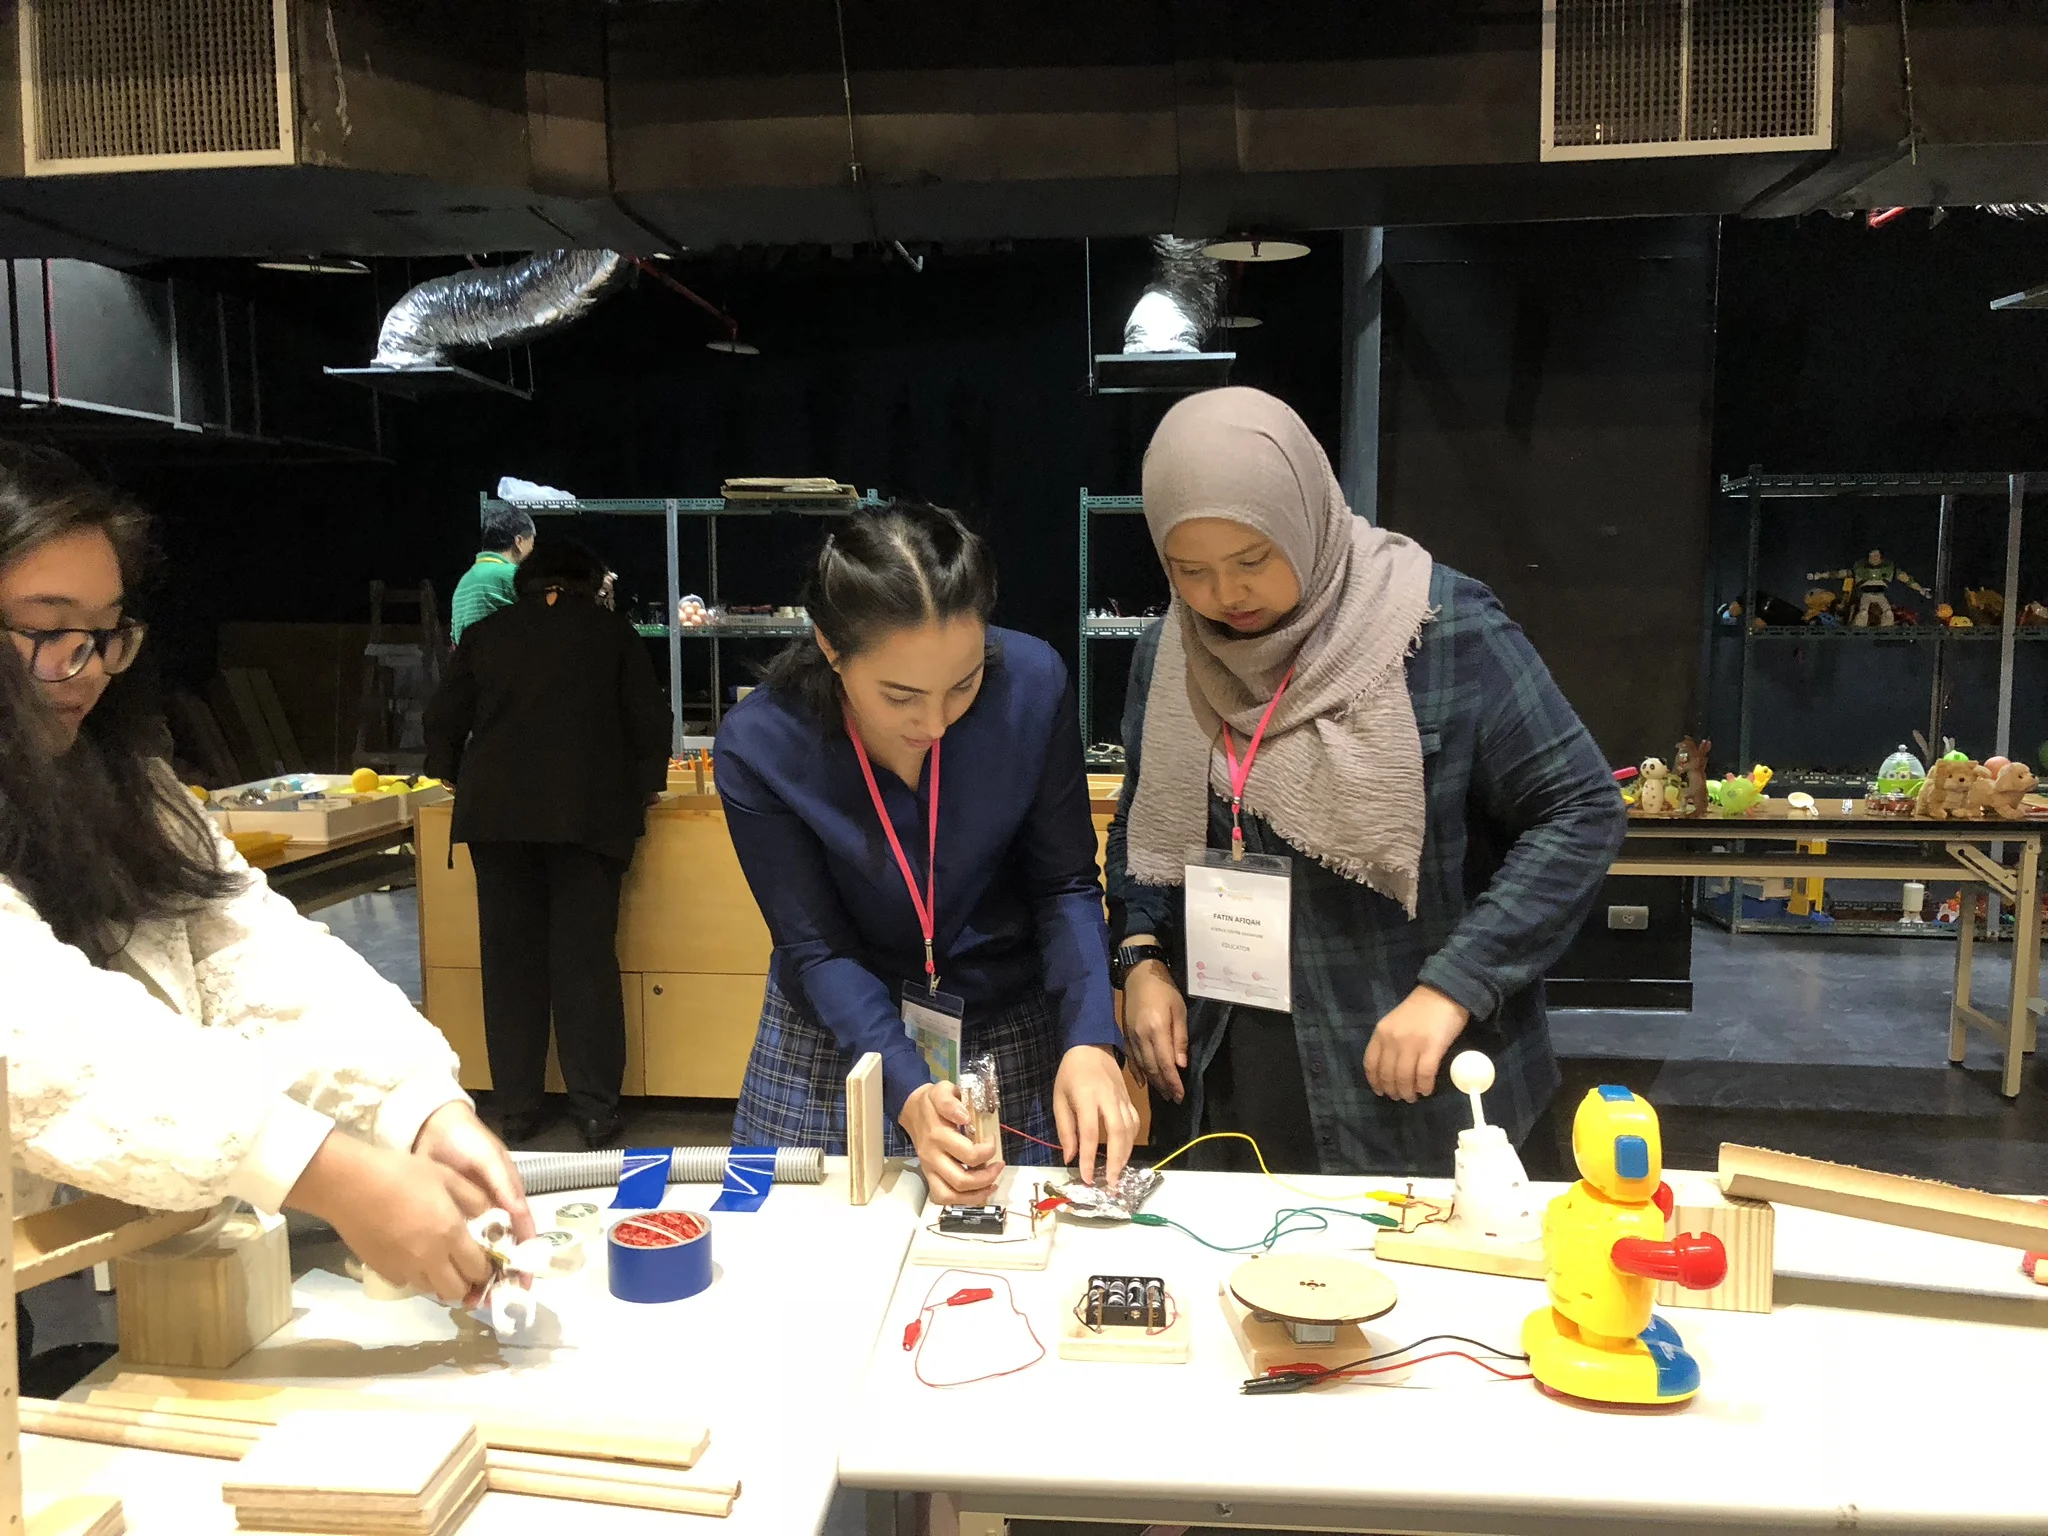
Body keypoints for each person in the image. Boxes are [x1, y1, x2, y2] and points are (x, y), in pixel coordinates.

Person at [0, 445, 531, 1305]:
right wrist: (330, 1173)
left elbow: (249, 954)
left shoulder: (119, 786)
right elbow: (42, 1040)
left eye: (106, 633)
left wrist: (414, 1108)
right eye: (47, 631)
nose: (88, 667)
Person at [1106, 388, 1626, 1177]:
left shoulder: (1441, 630)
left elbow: (1581, 810)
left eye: (1252, 560)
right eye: (1191, 572)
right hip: (1230, 1076)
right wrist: (1141, 959)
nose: (1225, 596)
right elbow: (1146, 830)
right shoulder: (1171, 652)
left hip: (1417, 1078)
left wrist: (1455, 986)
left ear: (1305, 518)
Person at [715, 501, 1137, 1205]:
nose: (936, 722)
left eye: (964, 684)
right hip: (836, 1038)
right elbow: (817, 947)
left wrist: (1091, 1037)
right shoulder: (763, 743)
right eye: (900, 696)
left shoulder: (1032, 684)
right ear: (830, 646)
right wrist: (907, 1088)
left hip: (1005, 1019)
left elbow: (1063, 883)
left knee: (1016, 1245)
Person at [425, 538, 671, 1150]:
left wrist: (453, 773)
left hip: (498, 819)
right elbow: (649, 721)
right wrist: (644, 787)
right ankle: (594, 1110)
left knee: (509, 963)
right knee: (585, 961)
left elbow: (442, 719)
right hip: (589, 817)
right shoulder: (613, 635)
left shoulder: (488, 633)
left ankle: (516, 1109)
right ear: (590, 582)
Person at [450, 505, 535, 644]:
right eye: (531, 544)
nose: (532, 550)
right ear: (519, 541)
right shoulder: (513, 575)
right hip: (502, 656)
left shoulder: (464, 582)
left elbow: (455, 638)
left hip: (469, 655)